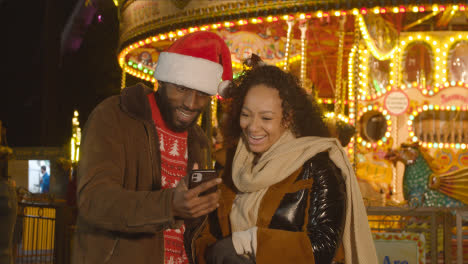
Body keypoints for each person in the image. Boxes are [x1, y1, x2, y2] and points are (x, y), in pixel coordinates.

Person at [194, 56, 378, 264]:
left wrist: (250, 242)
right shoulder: (227, 165)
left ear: (288, 118)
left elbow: (325, 246)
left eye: (266, 118)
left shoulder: (316, 166)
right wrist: (212, 252)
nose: (253, 127)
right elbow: (206, 232)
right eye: (246, 115)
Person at [73, 31, 233, 264]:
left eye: (201, 94)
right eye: (181, 89)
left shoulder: (199, 139)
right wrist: (170, 205)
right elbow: (94, 201)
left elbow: (193, 223)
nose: (190, 103)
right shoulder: (113, 116)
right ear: (162, 81)